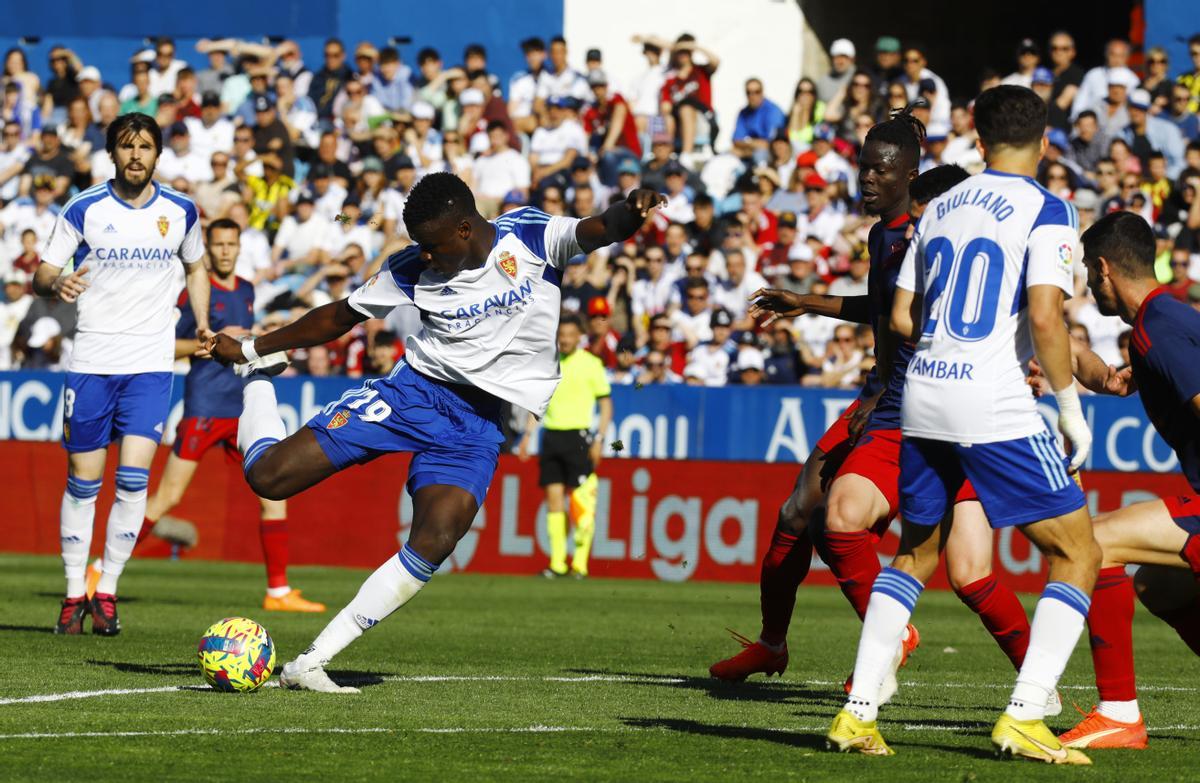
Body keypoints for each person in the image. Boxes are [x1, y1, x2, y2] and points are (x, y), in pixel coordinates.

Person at [205, 172, 663, 692]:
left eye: (431, 245)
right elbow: (339, 317)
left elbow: (600, 227)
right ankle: (259, 381)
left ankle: (310, 663)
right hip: (413, 395)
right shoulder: (411, 269)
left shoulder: (530, 239)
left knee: (437, 538)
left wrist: (634, 208)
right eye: (418, 245)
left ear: (466, 229)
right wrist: (251, 348)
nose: (423, 255)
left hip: (476, 424)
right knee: (268, 478)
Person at [827, 86, 1097, 764]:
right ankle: (1027, 713)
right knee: (1079, 552)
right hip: (994, 401)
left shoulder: (939, 205)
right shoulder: (1049, 208)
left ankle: (858, 713)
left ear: (976, 141)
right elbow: (1044, 315)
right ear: (1044, 144)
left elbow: (897, 318)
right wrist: (1069, 407)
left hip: (923, 392)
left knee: (916, 553)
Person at [81, 219, 325, 612]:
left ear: (239, 246)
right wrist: (204, 343)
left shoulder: (246, 289)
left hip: (243, 404)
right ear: (208, 249)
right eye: (219, 245)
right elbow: (166, 344)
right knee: (168, 497)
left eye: (232, 244)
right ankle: (101, 569)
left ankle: (278, 591)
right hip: (205, 408)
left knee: (273, 492)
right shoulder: (193, 292)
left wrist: (260, 335)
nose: (226, 251)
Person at [36, 113, 211, 635]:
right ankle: (73, 593)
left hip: (151, 365)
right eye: (127, 146)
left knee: (134, 481)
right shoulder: (85, 208)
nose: (136, 155)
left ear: (158, 154)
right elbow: (44, 269)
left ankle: (105, 589)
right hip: (92, 362)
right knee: (84, 484)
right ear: (112, 153)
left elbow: (196, 266)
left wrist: (201, 322)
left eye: (146, 147)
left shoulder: (180, 210)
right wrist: (57, 284)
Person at [1034, 211, 1200, 749]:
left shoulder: (1158, 332)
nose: (1086, 280)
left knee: (1094, 542)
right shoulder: (1164, 322)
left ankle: (1119, 714)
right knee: (1158, 584)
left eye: (1087, 268)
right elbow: (1125, 378)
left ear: (1103, 269)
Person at [518, 313, 613, 579]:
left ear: (579, 337)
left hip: (579, 437)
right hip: (552, 437)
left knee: (582, 505)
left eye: (571, 335)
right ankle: (558, 562)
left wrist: (600, 439)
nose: (566, 339)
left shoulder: (591, 364)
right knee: (554, 501)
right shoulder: (549, 364)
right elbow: (538, 404)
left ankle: (580, 563)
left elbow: (606, 404)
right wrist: (527, 435)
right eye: (562, 335)